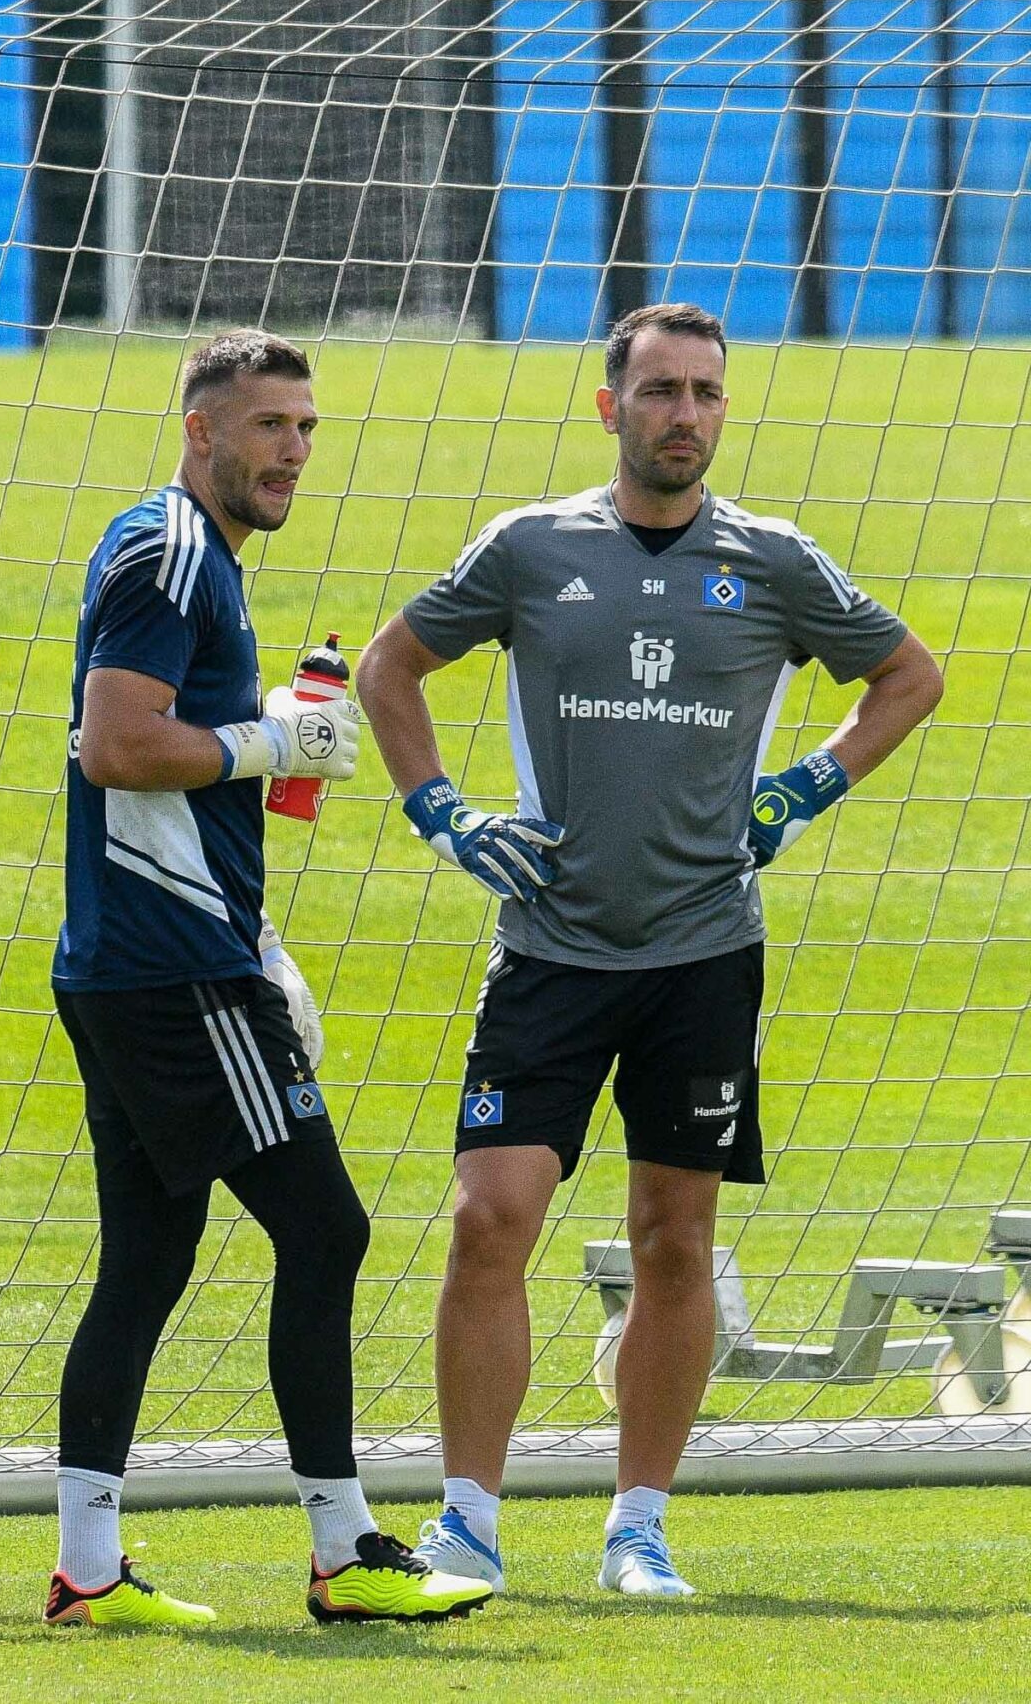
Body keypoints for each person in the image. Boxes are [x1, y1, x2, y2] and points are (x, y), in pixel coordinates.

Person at [358, 301, 945, 1598]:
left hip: (702, 952)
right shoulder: (530, 548)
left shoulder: (775, 562)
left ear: (724, 411)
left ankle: (640, 1525)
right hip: (552, 948)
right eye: (663, 389)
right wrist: (442, 811)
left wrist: (804, 787)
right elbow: (392, 666)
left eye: (707, 393)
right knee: (486, 1218)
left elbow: (909, 674)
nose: (686, 413)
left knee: (674, 1234)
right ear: (610, 405)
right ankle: (467, 1522)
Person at [43, 327, 492, 1630]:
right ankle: (345, 1548)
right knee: (326, 1225)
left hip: (150, 955)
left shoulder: (196, 560)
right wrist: (267, 738)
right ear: (199, 429)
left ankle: (85, 1568)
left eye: (305, 426)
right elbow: (118, 744)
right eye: (266, 426)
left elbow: (161, 759)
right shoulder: (166, 550)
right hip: (171, 964)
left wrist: (262, 813)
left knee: (149, 1251)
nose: (293, 449)